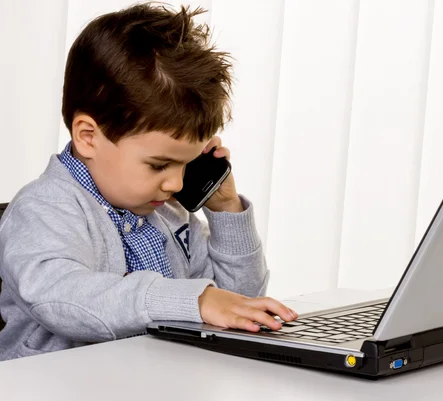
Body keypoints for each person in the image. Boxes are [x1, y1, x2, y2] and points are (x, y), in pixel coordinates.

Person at [0, 3, 296, 361]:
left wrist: (226, 211)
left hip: (154, 377)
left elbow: (240, 305)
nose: (174, 183)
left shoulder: (168, 214)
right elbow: (61, 298)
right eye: (160, 165)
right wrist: (194, 300)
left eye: (187, 164)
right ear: (88, 136)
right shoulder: (44, 209)